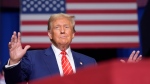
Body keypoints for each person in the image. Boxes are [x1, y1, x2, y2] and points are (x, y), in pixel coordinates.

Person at [3, 13, 142, 84]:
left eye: (67, 27)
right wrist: (14, 62)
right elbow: (13, 82)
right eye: (57, 28)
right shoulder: (33, 58)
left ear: (73, 34)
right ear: (49, 34)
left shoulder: (89, 62)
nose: (63, 31)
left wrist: (125, 75)